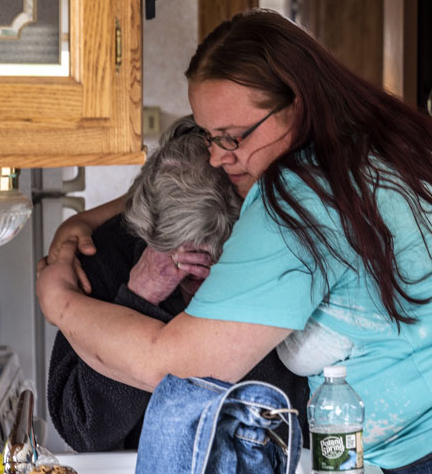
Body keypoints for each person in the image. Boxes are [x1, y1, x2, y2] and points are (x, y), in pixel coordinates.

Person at [38, 8, 432, 472]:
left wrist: (60, 301)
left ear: (295, 104)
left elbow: (176, 364)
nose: (222, 158)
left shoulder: (294, 200)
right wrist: (85, 220)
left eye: (233, 138)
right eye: (209, 138)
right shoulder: (385, 137)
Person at [46, 115, 309, 451]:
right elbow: (82, 431)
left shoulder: (273, 254)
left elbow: (295, 414)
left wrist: (228, 294)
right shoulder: (105, 252)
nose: (192, 283)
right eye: (179, 265)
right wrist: (137, 299)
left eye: (209, 264)